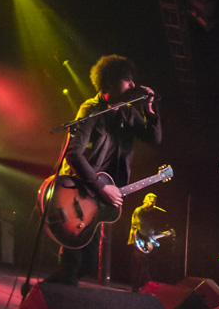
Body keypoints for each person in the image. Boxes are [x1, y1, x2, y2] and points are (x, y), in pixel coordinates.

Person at [45, 55, 160, 286]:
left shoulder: (127, 112)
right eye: (127, 79)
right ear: (109, 83)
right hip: (78, 193)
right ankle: (43, 296)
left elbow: (153, 138)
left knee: (86, 265)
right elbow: (74, 154)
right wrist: (101, 187)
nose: (133, 84)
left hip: (97, 200)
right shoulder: (90, 109)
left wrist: (149, 108)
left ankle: (40, 292)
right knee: (72, 266)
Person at [128, 192, 165, 292]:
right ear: (146, 200)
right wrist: (149, 240)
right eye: (152, 202)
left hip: (143, 240)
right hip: (139, 241)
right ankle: (150, 286)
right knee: (144, 264)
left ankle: (136, 289)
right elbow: (141, 228)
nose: (153, 204)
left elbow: (148, 230)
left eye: (154, 202)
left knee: (139, 267)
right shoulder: (140, 211)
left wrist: (161, 234)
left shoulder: (148, 213)